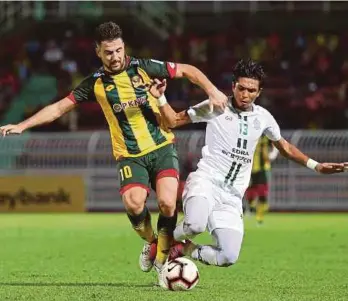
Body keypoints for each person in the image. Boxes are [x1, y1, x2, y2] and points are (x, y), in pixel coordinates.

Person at [0, 21, 227, 282]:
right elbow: (59, 108)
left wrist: (212, 90)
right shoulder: (95, 84)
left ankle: (162, 262)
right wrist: (22, 124)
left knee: (167, 203)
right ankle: (152, 243)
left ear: (123, 47)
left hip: (162, 146)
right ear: (98, 51)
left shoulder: (143, 67)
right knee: (134, 203)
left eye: (119, 50)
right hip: (129, 155)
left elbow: (187, 70)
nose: (115, 56)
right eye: (109, 52)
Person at [148, 58, 346, 269]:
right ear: (233, 86)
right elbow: (172, 121)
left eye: (252, 90)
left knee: (228, 256)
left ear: (259, 92)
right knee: (195, 224)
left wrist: (317, 166)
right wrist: (160, 98)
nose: (245, 94)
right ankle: (158, 244)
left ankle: (182, 249)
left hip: (233, 195)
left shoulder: (264, 118)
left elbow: (285, 147)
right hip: (206, 181)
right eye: (241, 88)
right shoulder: (216, 106)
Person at [245, 135, 279, 224]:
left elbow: (276, 145)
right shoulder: (250, 135)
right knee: (250, 192)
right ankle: (251, 208)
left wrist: (272, 154)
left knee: (262, 192)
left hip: (264, 168)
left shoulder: (266, 136)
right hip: (250, 168)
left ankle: (259, 217)